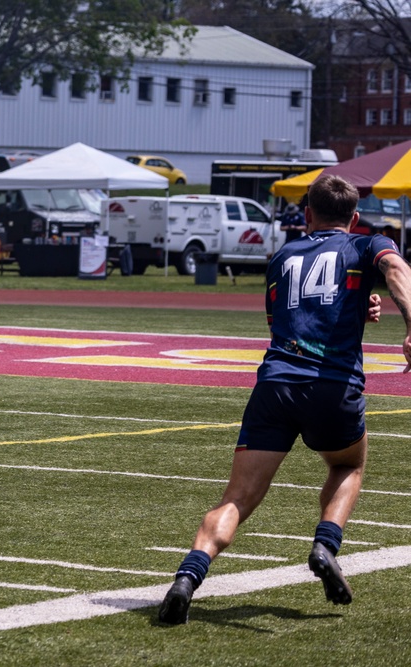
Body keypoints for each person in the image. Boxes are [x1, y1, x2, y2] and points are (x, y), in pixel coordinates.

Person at [158, 175, 411, 625]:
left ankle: (187, 577)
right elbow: (397, 269)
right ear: (354, 217)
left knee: (238, 497)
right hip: (333, 386)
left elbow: (286, 320)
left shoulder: (281, 258)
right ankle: (325, 544)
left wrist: (357, 306)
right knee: (347, 464)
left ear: (306, 214)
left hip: (274, 386)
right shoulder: (367, 244)